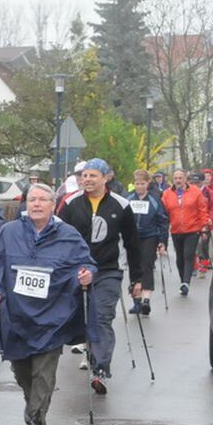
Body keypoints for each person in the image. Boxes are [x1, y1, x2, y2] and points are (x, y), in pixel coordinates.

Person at [0, 183, 96, 425]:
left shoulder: (68, 235)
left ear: (53, 205)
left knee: (43, 373)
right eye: (31, 199)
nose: (35, 204)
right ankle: (31, 401)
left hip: (52, 315)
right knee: (23, 370)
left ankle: (37, 418)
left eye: (42, 200)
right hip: (16, 313)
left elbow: (86, 263)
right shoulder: (8, 232)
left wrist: (87, 275)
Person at [58, 158, 141, 394]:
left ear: (106, 178)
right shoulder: (70, 203)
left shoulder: (121, 205)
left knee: (102, 317)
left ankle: (100, 370)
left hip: (108, 270)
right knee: (82, 318)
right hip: (76, 270)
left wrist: (137, 278)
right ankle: (88, 351)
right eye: (84, 176)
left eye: (93, 175)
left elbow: (133, 244)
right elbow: (58, 238)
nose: (87, 180)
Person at [161, 169, 210, 296]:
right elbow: (164, 213)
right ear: (173, 179)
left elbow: (202, 209)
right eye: (176, 178)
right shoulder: (167, 194)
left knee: (188, 254)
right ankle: (183, 280)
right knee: (180, 257)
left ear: (185, 179)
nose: (178, 180)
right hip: (176, 229)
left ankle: (186, 282)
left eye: (180, 178)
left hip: (192, 229)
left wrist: (204, 226)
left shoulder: (195, 192)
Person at [127, 170, 169, 315]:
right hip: (132, 237)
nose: (139, 186)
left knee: (146, 266)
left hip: (150, 236)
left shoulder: (154, 200)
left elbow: (163, 221)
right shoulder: (128, 199)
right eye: (137, 183)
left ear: (148, 184)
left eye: (142, 184)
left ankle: (146, 300)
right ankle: (136, 301)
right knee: (134, 266)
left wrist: (163, 241)